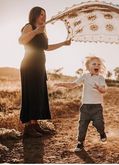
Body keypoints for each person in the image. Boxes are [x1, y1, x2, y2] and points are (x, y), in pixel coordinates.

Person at [18, 6, 71, 137]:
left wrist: (63, 43)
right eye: (41, 14)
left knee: (38, 95)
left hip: (39, 67)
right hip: (29, 66)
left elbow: (46, 47)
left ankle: (35, 125)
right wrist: (36, 31)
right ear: (34, 15)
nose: (44, 16)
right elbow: (21, 41)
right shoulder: (29, 26)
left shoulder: (43, 30)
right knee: (31, 94)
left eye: (45, 14)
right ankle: (28, 128)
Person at [55, 56, 107, 152]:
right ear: (88, 66)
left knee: (99, 123)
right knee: (82, 125)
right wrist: (62, 84)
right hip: (85, 107)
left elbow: (104, 90)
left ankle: (102, 133)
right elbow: (73, 85)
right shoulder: (85, 76)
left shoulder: (101, 78)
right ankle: (80, 142)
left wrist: (99, 88)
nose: (97, 66)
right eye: (94, 64)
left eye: (99, 64)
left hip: (97, 107)